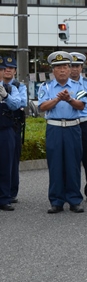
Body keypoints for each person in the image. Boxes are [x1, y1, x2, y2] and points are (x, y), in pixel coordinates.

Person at [38, 51, 87, 213]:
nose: (62, 70)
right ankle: (56, 201)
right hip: (54, 128)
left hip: (73, 127)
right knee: (55, 164)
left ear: (69, 68)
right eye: (58, 67)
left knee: (73, 164)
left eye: (65, 66)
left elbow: (82, 105)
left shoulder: (78, 86)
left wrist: (70, 99)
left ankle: (74, 200)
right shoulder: (46, 87)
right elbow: (42, 107)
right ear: (53, 70)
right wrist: (57, 99)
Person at [70, 52, 87, 202]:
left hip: (85, 123)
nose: (74, 69)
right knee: (71, 159)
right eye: (72, 66)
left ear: (82, 67)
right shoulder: (63, 84)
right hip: (69, 124)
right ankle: (72, 191)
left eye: (77, 66)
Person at [2, 55, 27, 204]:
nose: (7, 71)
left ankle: (11, 191)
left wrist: (7, 96)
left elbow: (22, 102)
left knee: (12, 161)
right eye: (4, 68)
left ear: (15, 71)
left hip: (14, 126)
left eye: (10, 68)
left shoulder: (19, 86)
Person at [0, 59, 21, 212]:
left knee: (6, 165)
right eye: (2, 69)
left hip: (5, 130)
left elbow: (17, 104)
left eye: (5, 69)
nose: (4, 72)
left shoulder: (11, 87)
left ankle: (4, 198)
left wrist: (6, 96)